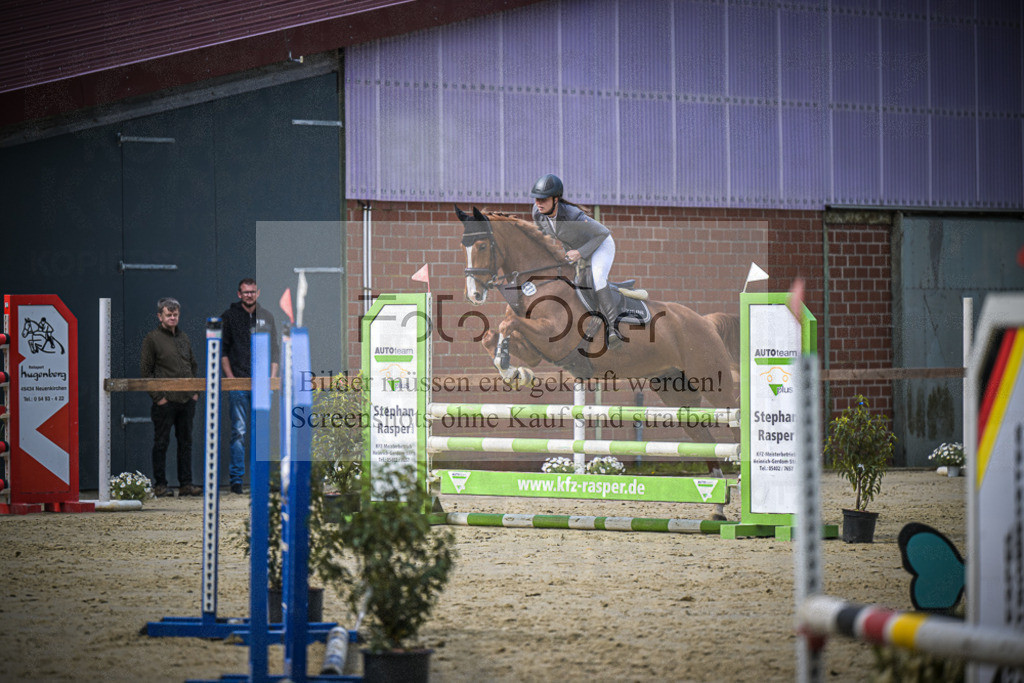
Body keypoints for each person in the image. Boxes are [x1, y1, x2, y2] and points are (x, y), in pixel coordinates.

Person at [530, 173, 624, 347]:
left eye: (543, 199)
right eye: (536, 199)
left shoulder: (573, 215)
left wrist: (579, 253)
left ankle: (613, 328)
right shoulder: (538, 214)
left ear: (556, 199)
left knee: (597, 279)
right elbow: (540, 239)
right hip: (576, 250)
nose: (538, 203)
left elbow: (603, 233)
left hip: (600, 245)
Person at [220, 278, 279, 494]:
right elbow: (223, 351)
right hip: (238, 384)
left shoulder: (267, 317)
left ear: (258, 293)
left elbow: (275, 351)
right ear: (239, 294)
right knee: (239, 431)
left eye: (252, 292)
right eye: (245, 292)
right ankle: (237, 480)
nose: (249, 295)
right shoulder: (228, 317)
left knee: (261, 432)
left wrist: (272, 380)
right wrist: (232, 379)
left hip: (263, 386)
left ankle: (260, 479)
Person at [140, 297, 201, 497]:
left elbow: (192, 364)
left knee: (186, 442)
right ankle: (160, 484)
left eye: (175, 315)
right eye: (169, 315)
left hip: (186, 400)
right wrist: (158, 397)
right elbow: (146, 371)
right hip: (165, 402)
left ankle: (186, 484)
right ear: (160, 316)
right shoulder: (152, 339)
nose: (173, 318)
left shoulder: (183, 338)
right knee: (161, 443)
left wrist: (194, 392)